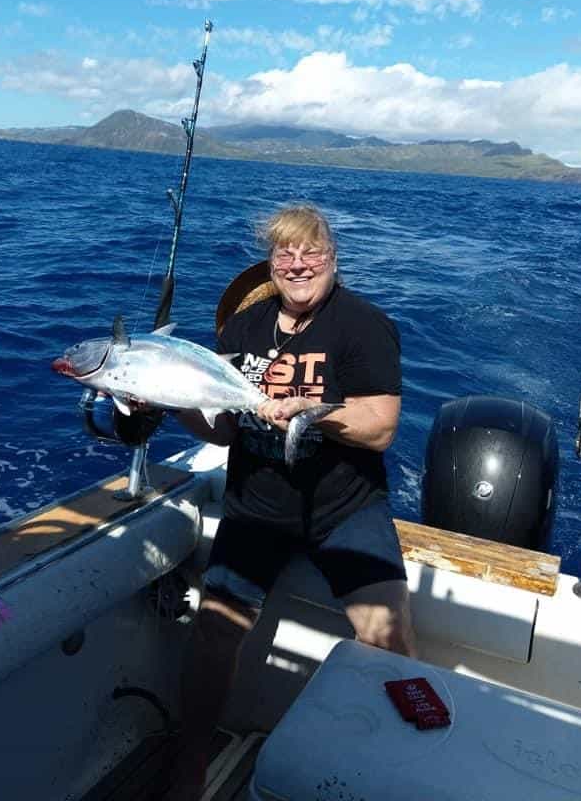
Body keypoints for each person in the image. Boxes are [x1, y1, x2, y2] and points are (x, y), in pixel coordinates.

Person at [172, 203, 415, 800]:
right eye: (286, 252)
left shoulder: (363, 325)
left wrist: (315, 413)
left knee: (388, 641)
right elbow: (223, 429)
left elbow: (380, 427)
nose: (299, 263)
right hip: (257, 505)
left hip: (344, 507)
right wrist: (170, 400)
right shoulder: (245, 330)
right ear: (271, 262)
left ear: (334, 260)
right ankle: (188, 765)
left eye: (313, 252)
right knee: (213, 631)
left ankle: (389, 772)